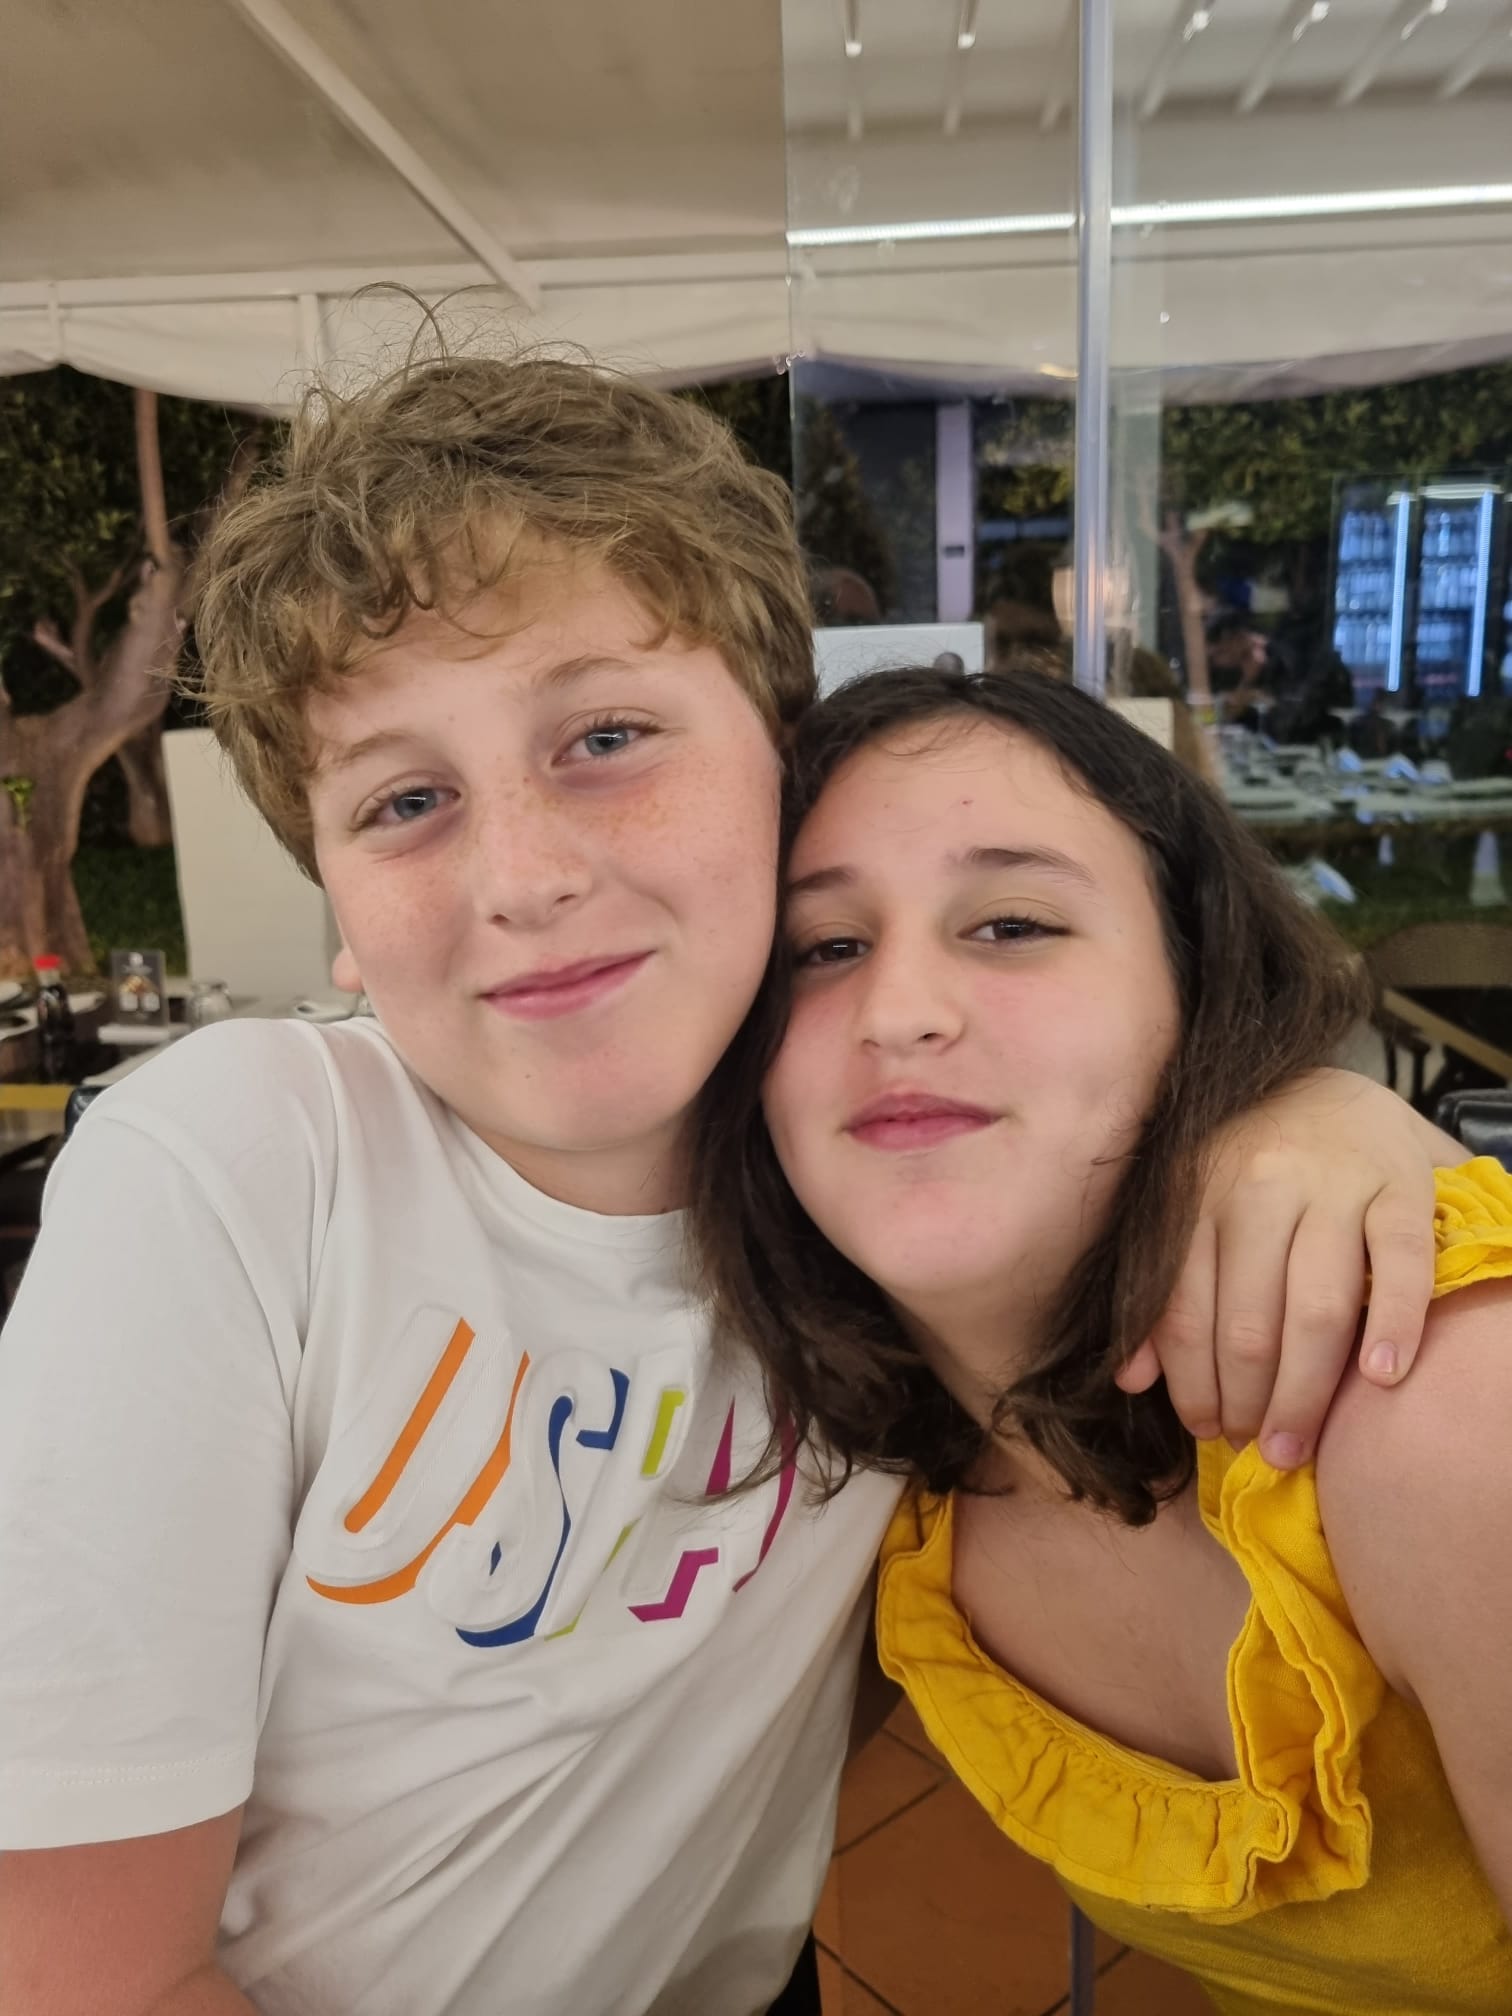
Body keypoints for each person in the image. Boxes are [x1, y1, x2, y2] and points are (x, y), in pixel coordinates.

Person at [0, 358, 1451, 2016]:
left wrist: (1313, 1114)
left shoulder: (877, 1200)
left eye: (607, 736)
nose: (525, 875)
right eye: (404, 802)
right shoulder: (245, 1167)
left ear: (785, 769)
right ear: (337, 904)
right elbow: (84, 1982)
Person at [695, 664, 1512, 2015]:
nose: (901, 1011)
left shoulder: (1424, 1392)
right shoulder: (865, 1493)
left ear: (1195, 982)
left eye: (1013, 924)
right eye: (822, 949)